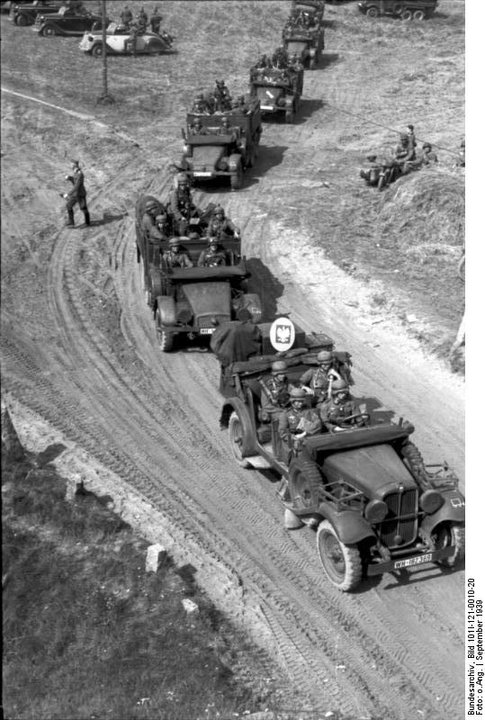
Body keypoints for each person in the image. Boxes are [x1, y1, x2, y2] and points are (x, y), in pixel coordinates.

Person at [63, 159, 90, 228]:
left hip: (80, 194)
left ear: (74, 165)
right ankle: (71, 221)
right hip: (75, 194)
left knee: (83, 208)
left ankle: (87, 223)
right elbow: (75, 181)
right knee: (69, 205)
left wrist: (68, 194)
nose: (70, 165)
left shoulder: (80, 174)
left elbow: (76, 186)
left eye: (71, 164)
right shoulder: (76, 172)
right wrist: (70, 178)